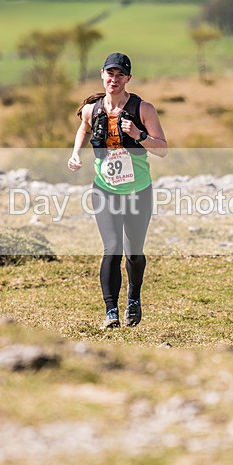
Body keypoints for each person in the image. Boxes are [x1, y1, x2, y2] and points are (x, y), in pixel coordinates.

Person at [68, 52, 168, 329]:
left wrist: (139, 135)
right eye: (110, 74)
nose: (114, 79)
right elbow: (84, 128)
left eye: (120, 75)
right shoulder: (93, 109)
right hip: (104, 190)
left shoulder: (143, 109)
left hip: (138, 191)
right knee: (112, 248)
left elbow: (163, 150)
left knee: (133, 251)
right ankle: (110, 311)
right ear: (102, 74)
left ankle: (133, 298)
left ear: (128, 78)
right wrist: (76, 154)